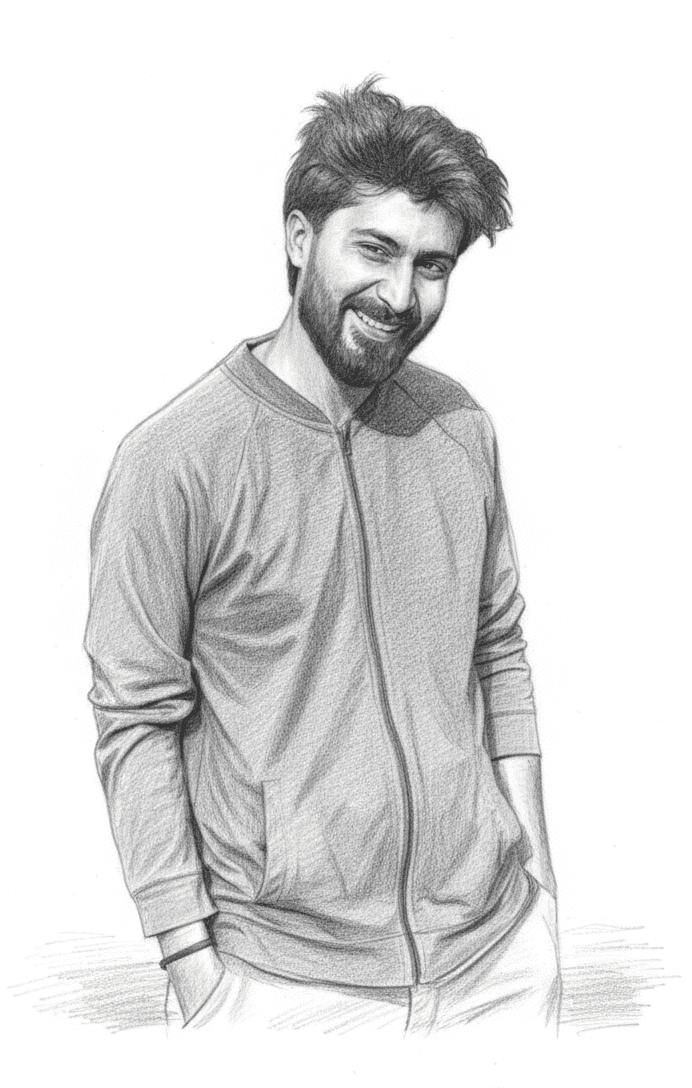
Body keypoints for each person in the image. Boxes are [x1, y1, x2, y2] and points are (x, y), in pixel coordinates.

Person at [85, 78, 561, 1036]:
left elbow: (497, 651)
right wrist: (193, 965)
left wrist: (542, 890)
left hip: (497, 968)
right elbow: (134, 721)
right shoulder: (174, 460)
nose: (401, 295)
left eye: (432, 265)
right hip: (279, 990)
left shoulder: (459, 428)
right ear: (301, 238)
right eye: (374, 250)